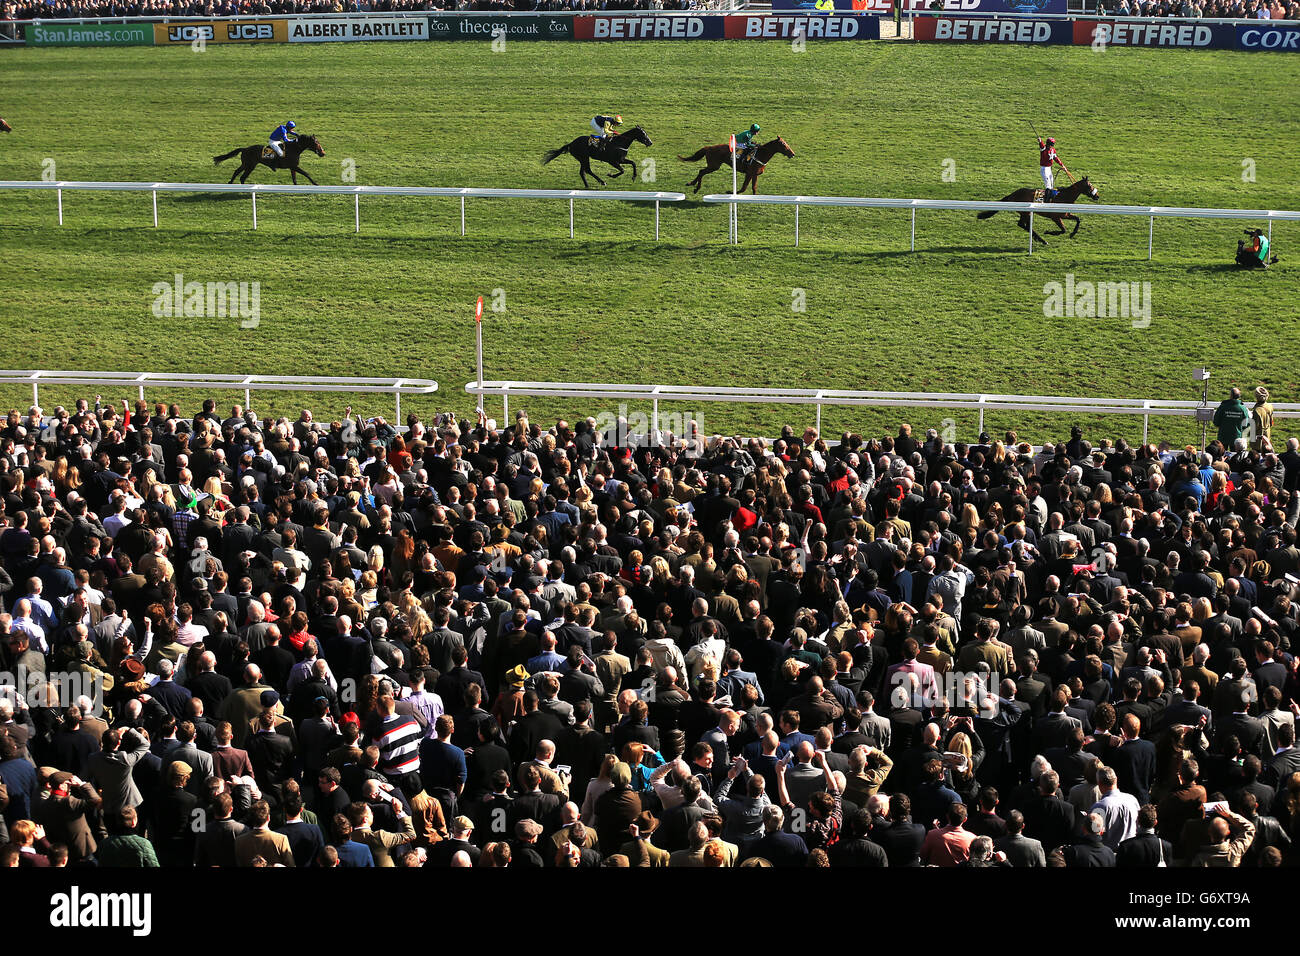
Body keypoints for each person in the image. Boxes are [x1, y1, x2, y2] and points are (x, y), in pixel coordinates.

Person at [1036, 135, 1072, 201]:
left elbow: (1056, 158)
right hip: (1044, 169)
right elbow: (1041, 146)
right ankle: (1046, 201)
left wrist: (1062, 165)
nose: (1051, 146)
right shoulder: (1044, 149)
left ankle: (1051, 199)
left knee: (1052, 184)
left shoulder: (1053, 150)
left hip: (1049, 168)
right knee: (1048, 185)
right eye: (1050, 144)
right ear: (1047, 144)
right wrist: (1040, 141)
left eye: (1052, 145)